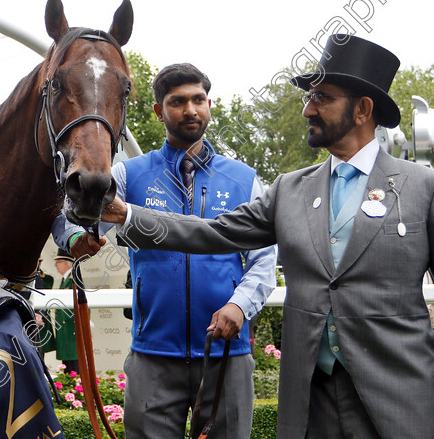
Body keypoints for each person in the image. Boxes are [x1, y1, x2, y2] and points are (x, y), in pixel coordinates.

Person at [101, 35, 434, 439]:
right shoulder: (290, 189)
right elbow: (213, 233)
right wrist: (128, 215)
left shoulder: (427, 188)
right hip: (310, 403)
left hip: (398, 397)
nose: (307, 109)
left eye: (321, 98)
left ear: (363, 109)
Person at [53, 63, 277, 439]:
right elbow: (69, 217)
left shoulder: (243, 179)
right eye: (177, 102)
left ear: (209, 105)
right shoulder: (129, 175)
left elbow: (264, 260)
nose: (190, 110)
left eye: (198, 100)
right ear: (159, 111)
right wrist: (76, 237)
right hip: (152, 354)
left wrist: (239, 306)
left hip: (226, 353)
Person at [51, 248, 79, 375]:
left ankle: (76, 390)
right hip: (65, 328)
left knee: (74, 365)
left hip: (71, 327)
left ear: (66, 263)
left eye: (59, 262)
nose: (56, 265)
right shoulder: (65, 279)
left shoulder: (73, 279)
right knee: (67, 365)